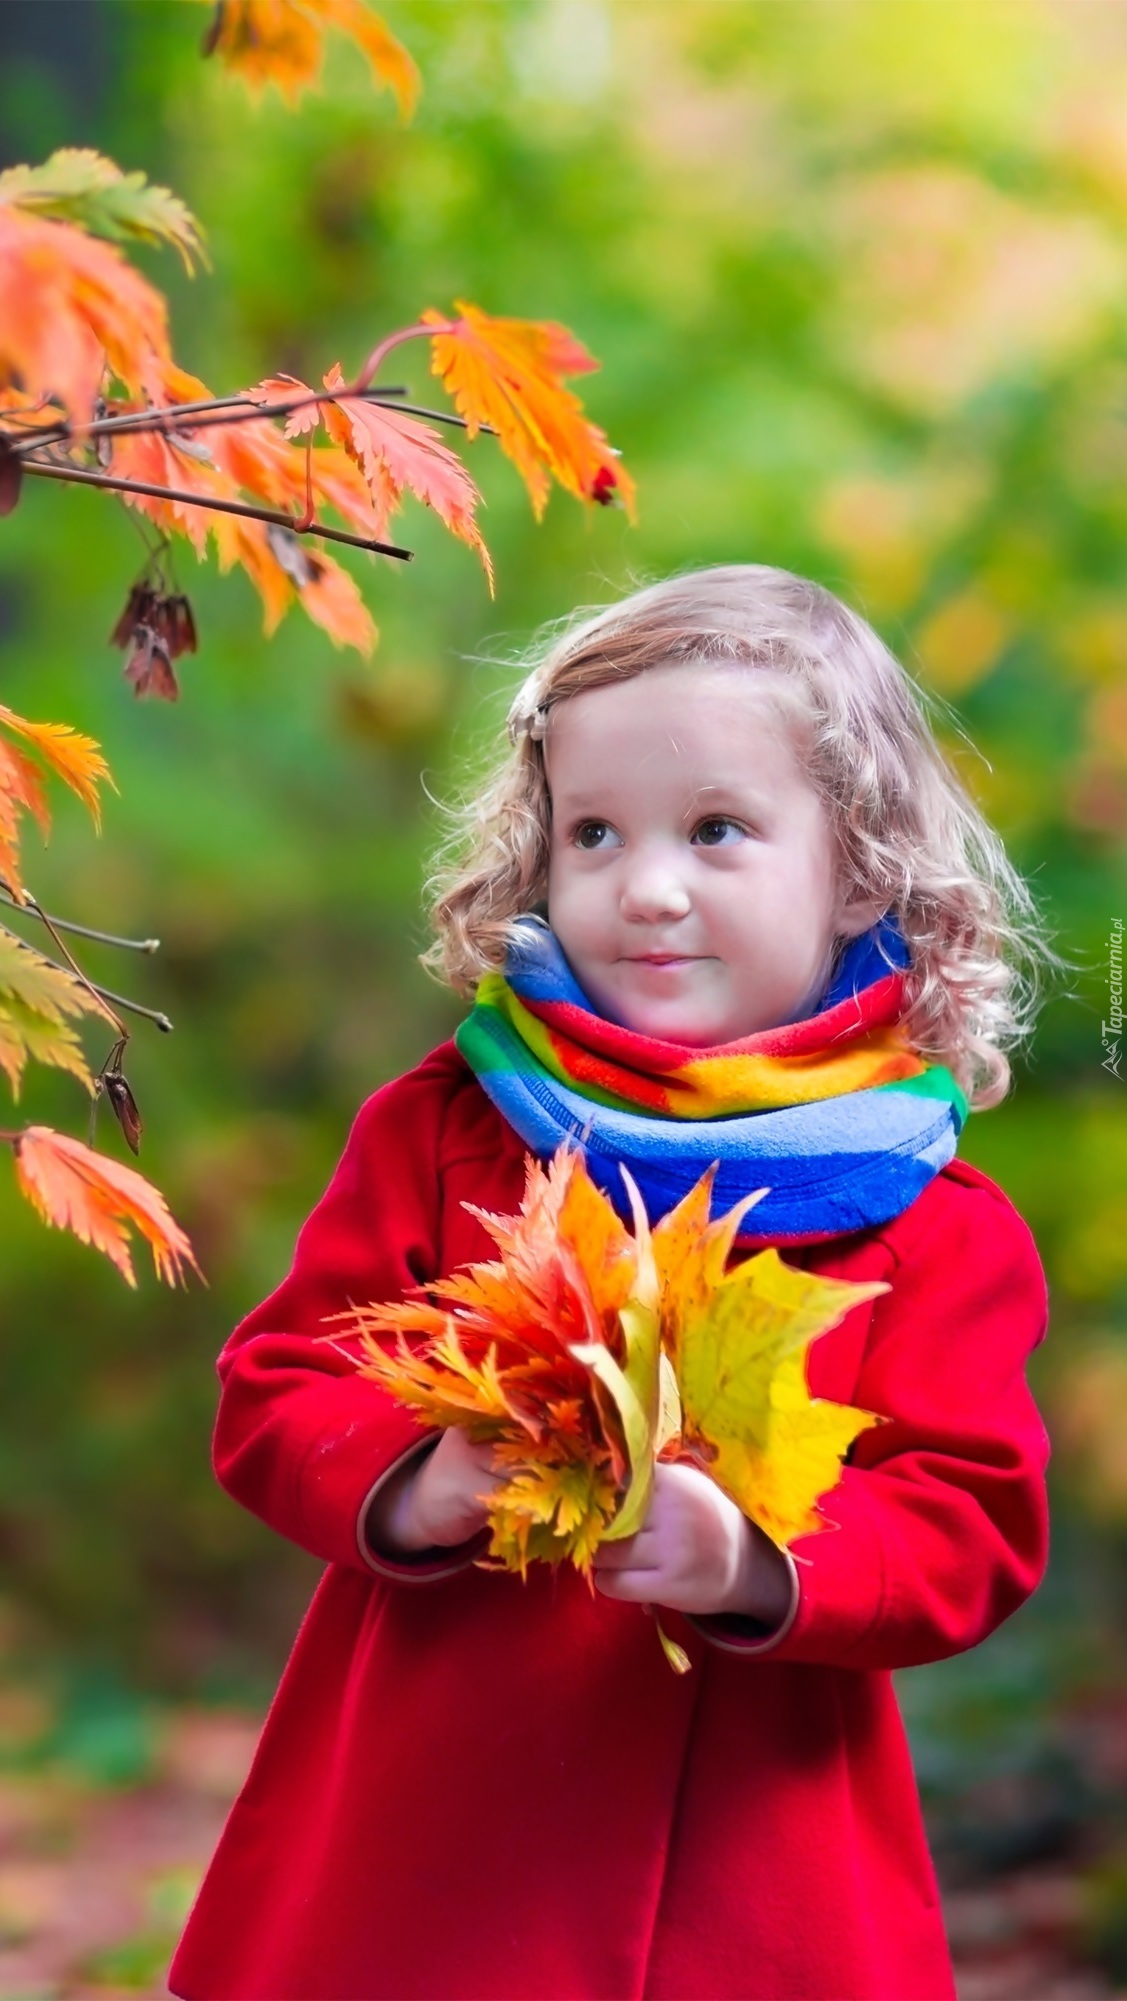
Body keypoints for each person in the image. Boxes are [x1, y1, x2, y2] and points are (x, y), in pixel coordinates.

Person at [170, 566, 1052, 2001]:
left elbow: (972, 1516)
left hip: (752, 1867)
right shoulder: (451, 1125)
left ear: (865, 868)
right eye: (594, 832)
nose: (646, 886)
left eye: (718, 829)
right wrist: (410, 1477)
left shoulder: (934, 1218)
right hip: (433, 1835)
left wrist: (758, 1560)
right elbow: (279, 1383)